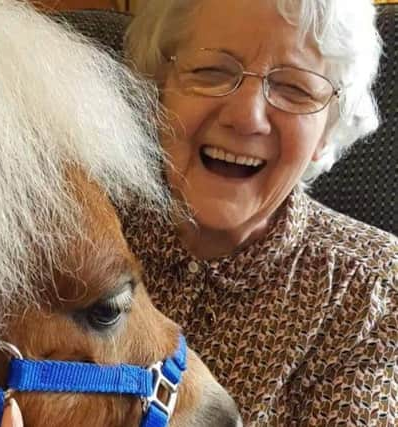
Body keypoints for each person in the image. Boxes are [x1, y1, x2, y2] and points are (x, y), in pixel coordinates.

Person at [119, 0, 398, 425]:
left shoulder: (370, 291)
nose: (246, 117)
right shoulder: (79, 226)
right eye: (211, 72)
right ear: (159, 88)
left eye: (296, 89)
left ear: (328, 130)